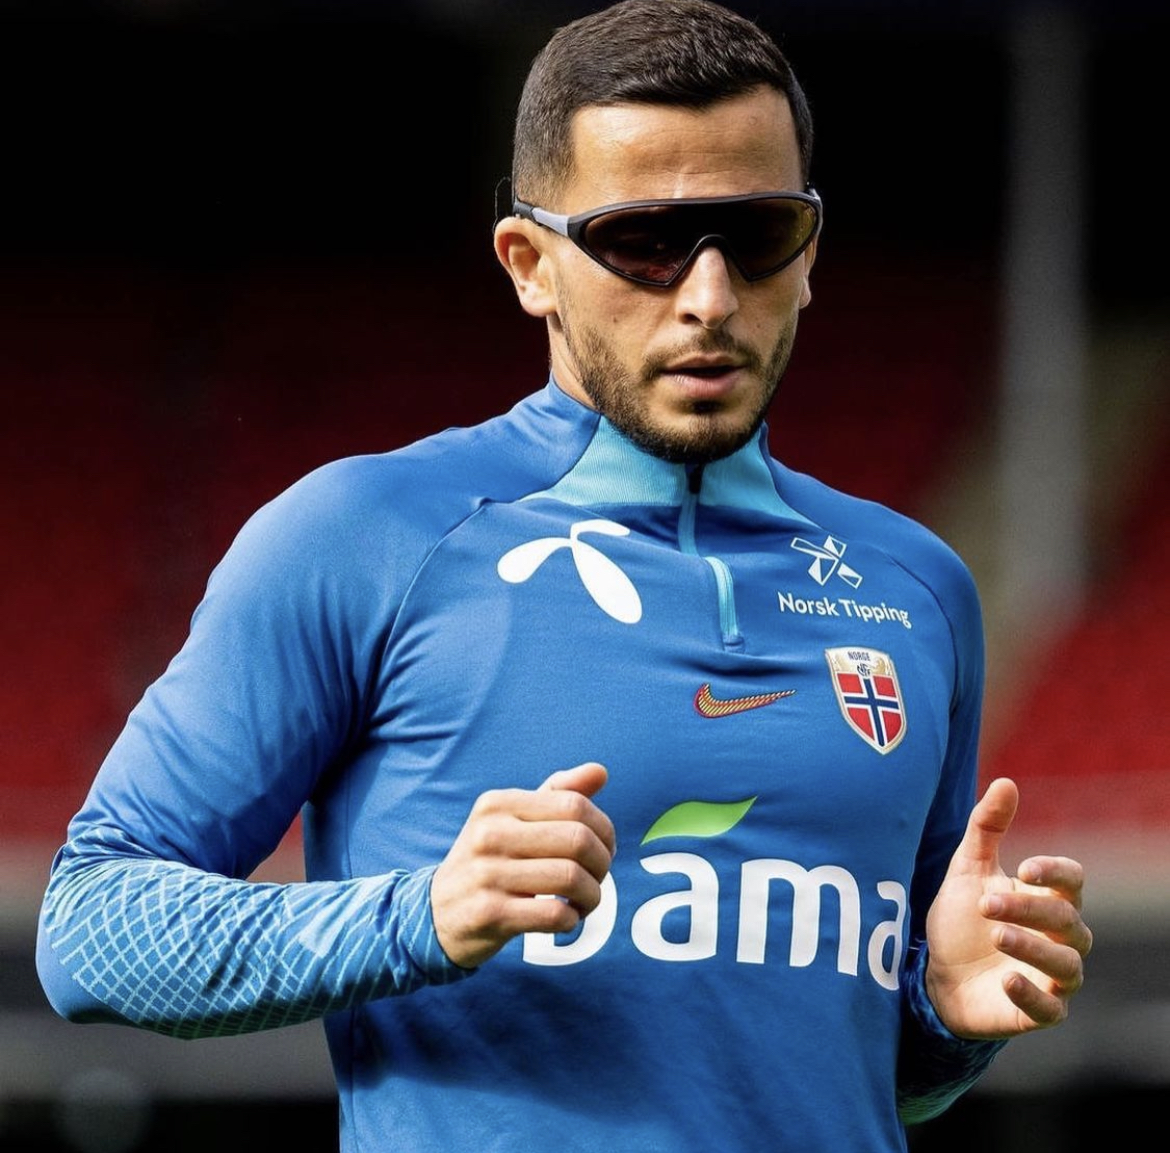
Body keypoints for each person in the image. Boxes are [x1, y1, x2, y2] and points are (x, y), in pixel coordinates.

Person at [36, 2, 1092, 1150]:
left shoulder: (917, 588)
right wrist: (418, 915)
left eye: (758, 234)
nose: (708, 297)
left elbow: (862, 1073)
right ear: (531, 265)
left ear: (810, 255)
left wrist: (947, 1020)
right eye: (644, 242)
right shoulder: (362, 537)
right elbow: (90, 927)